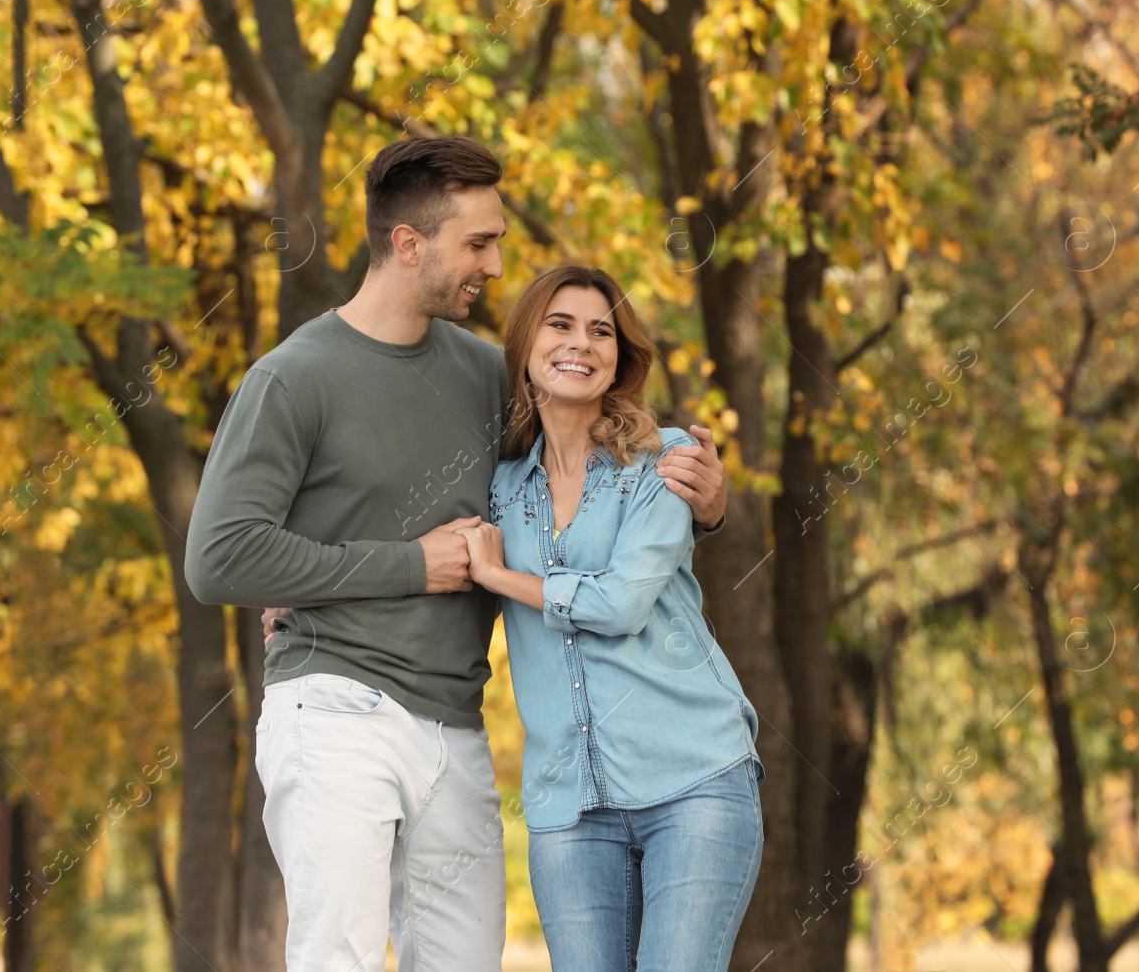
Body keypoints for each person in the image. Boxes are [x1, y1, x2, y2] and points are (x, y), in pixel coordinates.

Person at [182, 136, 728, 972]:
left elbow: (599, 462)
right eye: (479, 243)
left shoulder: (489, 376)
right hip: (335, 709)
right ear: (409, 244)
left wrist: (707, 501)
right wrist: (399, 567)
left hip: (455, 724)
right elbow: (219, 556)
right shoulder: (294, 378)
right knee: (343, 958)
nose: (496, 264)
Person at [455, 264, 764, 972]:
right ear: (527, 344)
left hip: (694, 777)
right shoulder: (499, 487)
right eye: (560, 324)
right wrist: (302, 593)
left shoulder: (664, 460)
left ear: (620, 356)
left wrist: (504, 576)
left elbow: (622, 603)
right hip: (568, 800)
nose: (582, 343)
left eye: (601, 331)